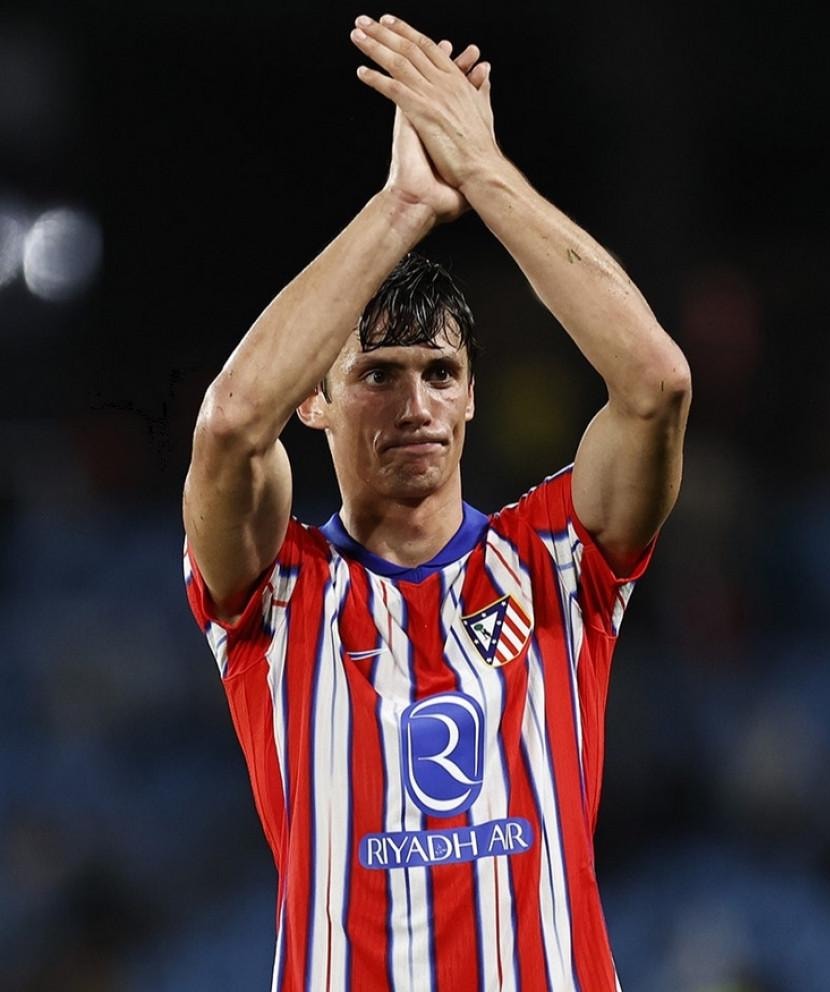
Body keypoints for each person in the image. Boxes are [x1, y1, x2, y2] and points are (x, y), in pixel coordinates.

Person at [181, 15, 691, 992]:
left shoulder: (556, 558)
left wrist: (485, 173)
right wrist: (406, 205)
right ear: (315, 400)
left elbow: (657, 384)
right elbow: (232, 423)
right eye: (377, 373)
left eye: (440, 373)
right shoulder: (276, 589)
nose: (415, 405)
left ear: (471, 396)